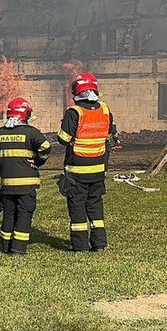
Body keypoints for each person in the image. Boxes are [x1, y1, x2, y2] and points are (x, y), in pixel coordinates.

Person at [56, 71, 118, 252]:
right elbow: (109, 135)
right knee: (95, 204)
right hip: (99, 168)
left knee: (77, 206)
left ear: (76, 91)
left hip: (78, 170)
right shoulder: (105, 110)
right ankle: (99, 244)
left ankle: (80, 245)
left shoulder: (74, 112)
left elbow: (63, 139)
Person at [0, 97, 51, 255]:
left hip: (7, 184)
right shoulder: (31, 132)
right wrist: (37, 160)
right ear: (25, 114)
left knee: (9, 215)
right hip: (26, 185)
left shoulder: (0, 133)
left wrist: (7, 159)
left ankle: (6, 247)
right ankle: (18, 249)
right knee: (24, 214)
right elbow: (46, 147)